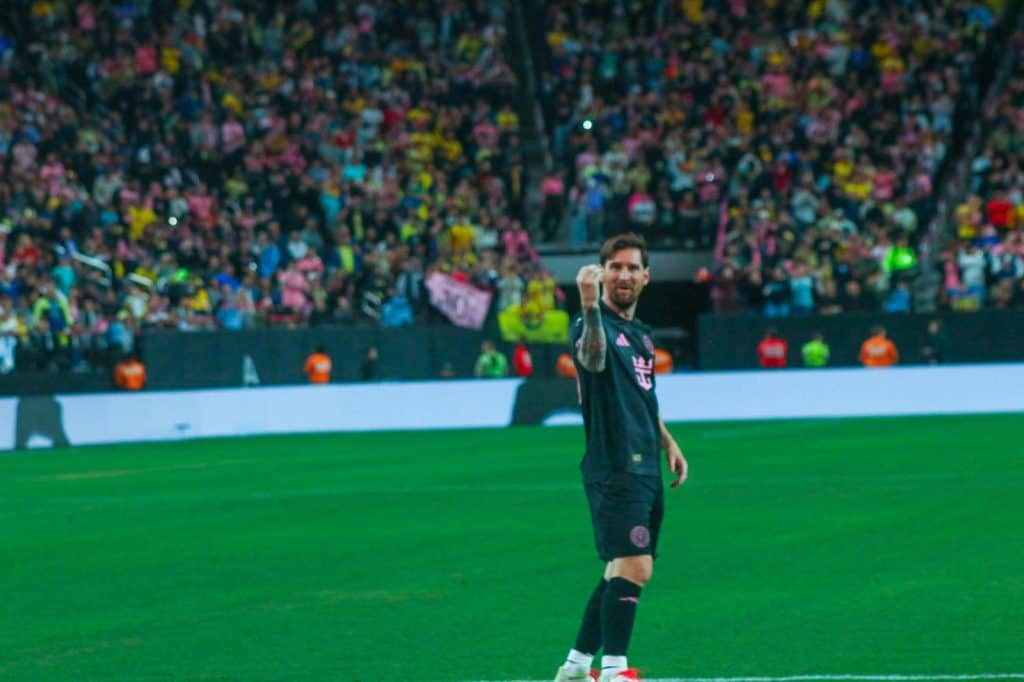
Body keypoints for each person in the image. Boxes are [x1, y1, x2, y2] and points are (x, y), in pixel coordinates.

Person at [555, 233, 688, 682]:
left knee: (620, 566)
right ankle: (613, 670)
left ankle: (575, 666)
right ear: (603, 273)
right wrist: (590, 306)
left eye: (632, 268)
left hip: (645, 461)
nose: (624, 275)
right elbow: (592, 360)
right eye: (616, 267)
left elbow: (644, 396)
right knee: (637, 566)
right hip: (615, 465)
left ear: (646, 277)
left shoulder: (643, 336)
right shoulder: (590, 325)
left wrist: (667, 441)